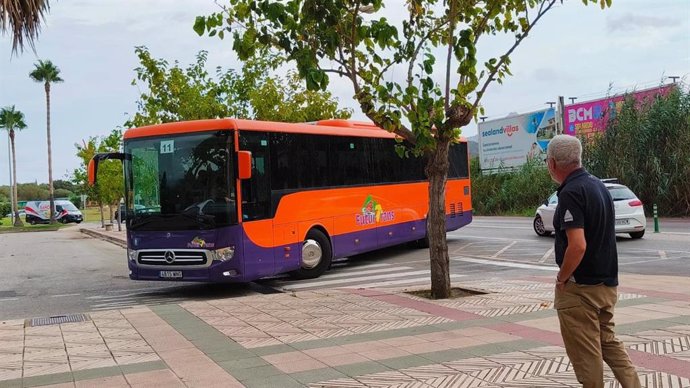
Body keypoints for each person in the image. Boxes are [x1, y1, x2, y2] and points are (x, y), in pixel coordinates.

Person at [545, 135, 640, 388]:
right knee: (609, 344)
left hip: (581, 290)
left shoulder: (571, 193)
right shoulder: (598, 186)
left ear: (552, 163)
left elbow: (577, 245)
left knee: (586, 358)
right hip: (607, 285)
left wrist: (562, 278)